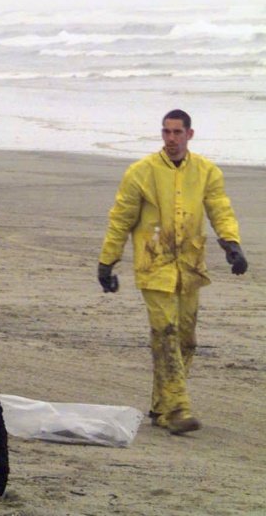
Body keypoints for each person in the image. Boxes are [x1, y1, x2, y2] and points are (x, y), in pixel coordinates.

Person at [97, 109, 248, 435]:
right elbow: (121, 219)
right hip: (155, 264)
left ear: (189, 135)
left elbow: (220, 208)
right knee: (164, 334)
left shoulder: (207, 171)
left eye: (177, 132)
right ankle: (177, 409)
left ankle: (159, 406)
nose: (171, 139)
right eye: (166, 132)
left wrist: (232, 243)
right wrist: (107, 261)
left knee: (186, 340)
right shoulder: (141, 172)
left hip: (190, 266)